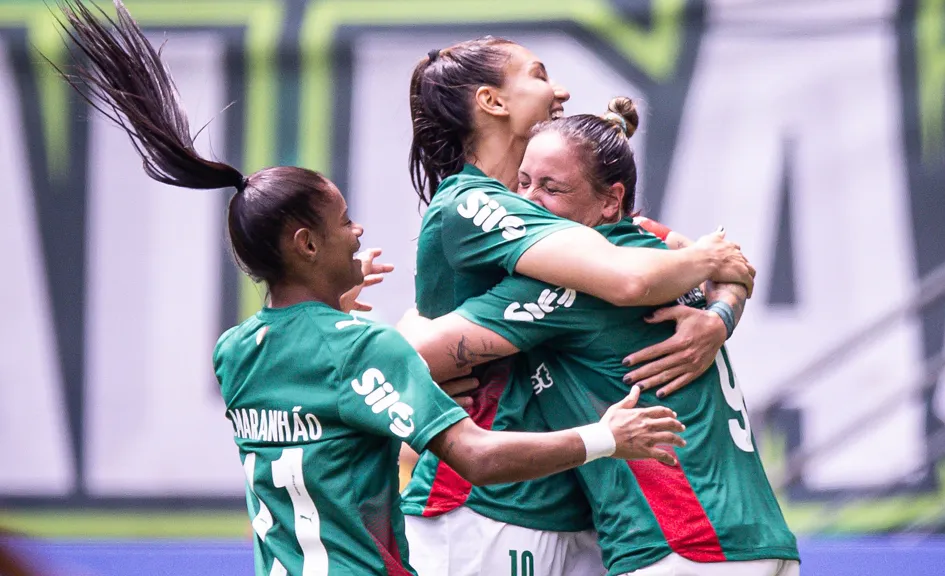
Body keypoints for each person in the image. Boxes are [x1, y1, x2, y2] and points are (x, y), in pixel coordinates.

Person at [51, 3, 688, 575]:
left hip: (535, 501)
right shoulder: (463, 215)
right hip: (481, 505)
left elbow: (332, 378)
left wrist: (714, 308)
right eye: (344, 222)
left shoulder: (238, 350)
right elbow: (632, 278)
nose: (359, 233)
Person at [402, 38, 758, 575]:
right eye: (540, 75)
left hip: (580, 496)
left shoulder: (572, 222)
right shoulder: (472, 203)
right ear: (492, 102)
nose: (561, 90)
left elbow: (730, 270)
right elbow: (633, 278)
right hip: (486, 503)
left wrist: (717, 319)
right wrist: (710, 256)